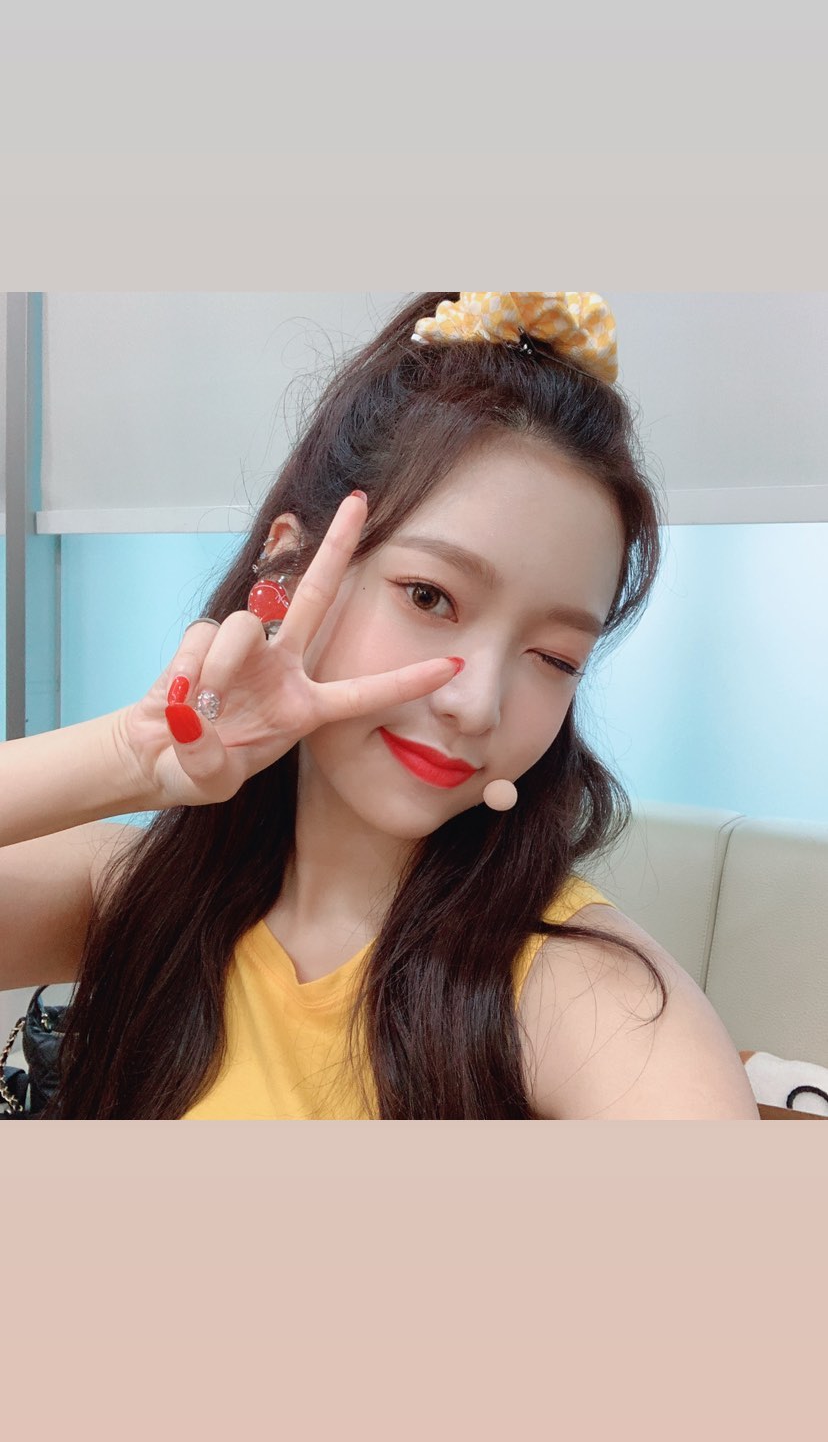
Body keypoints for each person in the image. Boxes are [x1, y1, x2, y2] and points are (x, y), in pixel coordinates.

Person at [0, 291, 759, 1120]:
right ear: (289, 566)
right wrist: (130, 759)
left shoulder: (577, 989)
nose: (477, 704)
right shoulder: (134, 894)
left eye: (554, 658)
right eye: (430, 597)